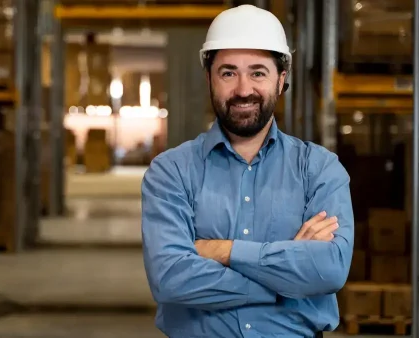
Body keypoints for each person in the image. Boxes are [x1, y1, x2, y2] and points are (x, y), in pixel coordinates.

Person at [140, 4, 354, 338]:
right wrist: (286, 280)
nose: (243, 89)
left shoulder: (319, 169)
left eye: (258, 73)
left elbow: (328, 270)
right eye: (228, 73)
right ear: (209, 78)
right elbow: (170, 278)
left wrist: (223, 251)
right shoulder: (171, 172)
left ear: (281, 80)